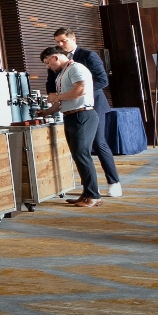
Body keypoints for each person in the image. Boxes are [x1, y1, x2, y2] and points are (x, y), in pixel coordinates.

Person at [52, 28, 122, 197]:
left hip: (94, 105)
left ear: (73, 39)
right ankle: (90, 186)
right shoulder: (58, 59)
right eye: (57, 42)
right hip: (72, 106)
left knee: (98, 143)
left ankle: (114, 182)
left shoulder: (88, 55)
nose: (60, 45)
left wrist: (83, 91)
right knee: (80, 147)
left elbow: (102, 80)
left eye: (63, 41)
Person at [43, 46, 104, 208]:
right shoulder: (62, 74)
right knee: (78, 156)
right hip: (70, 116)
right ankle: (86, 193)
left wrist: (56, 96)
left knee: (83, 155)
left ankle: (93, 195)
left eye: (48, 62)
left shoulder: (76, 68)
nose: (48, 67)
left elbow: (80, 91)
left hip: (82, 115)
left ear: (55, 57)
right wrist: (46, 112)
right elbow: (63, 101)